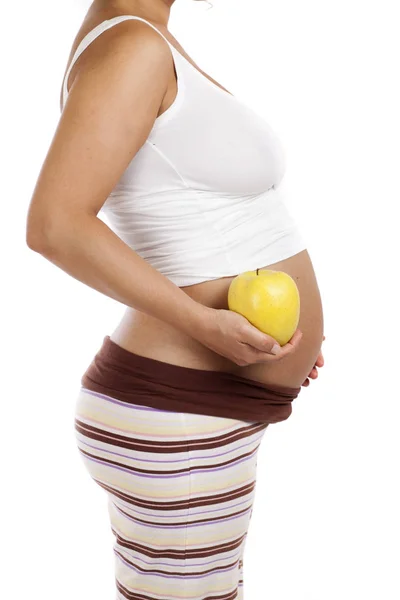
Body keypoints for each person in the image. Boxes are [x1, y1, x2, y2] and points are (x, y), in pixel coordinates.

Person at [26, 0, 325, 598]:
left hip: (199, 409)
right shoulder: (132, 47)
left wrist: (289, 343)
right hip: (180, 417)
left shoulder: (146, 38)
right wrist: (206, 325)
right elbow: (54, 225)